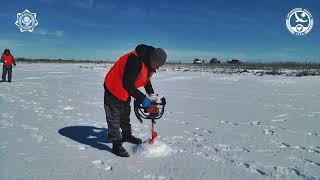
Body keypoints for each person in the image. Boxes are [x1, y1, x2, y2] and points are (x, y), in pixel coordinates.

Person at [103, 44, 167, 157]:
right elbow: (127, 83)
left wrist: (151, 94)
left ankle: (127, 135)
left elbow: (146, 79)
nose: (157, 68)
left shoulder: (149, 64)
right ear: (152, 59)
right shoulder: (135, 60)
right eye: (157, 65)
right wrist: (142, 98)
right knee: (114, 117)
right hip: (113, 87)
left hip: (125, 90)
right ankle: (116, 144)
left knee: (125, 114)